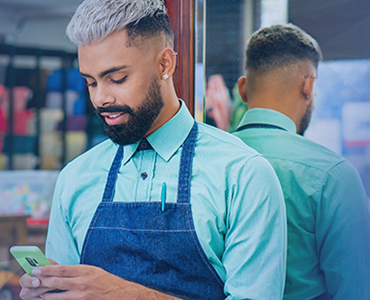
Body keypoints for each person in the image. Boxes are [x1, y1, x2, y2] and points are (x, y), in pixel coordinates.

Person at [19, 1, 287, 299]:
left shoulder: (242, 174)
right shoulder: (75, 179)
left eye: (117, 78)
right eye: (90, 82)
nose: (101, 98)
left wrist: (124, 294)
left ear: (165, 65)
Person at [234, 24, 370, 300]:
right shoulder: (333, 176)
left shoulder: (203, 160)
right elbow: (356, 291)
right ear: (309, 85)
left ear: (244, 89)